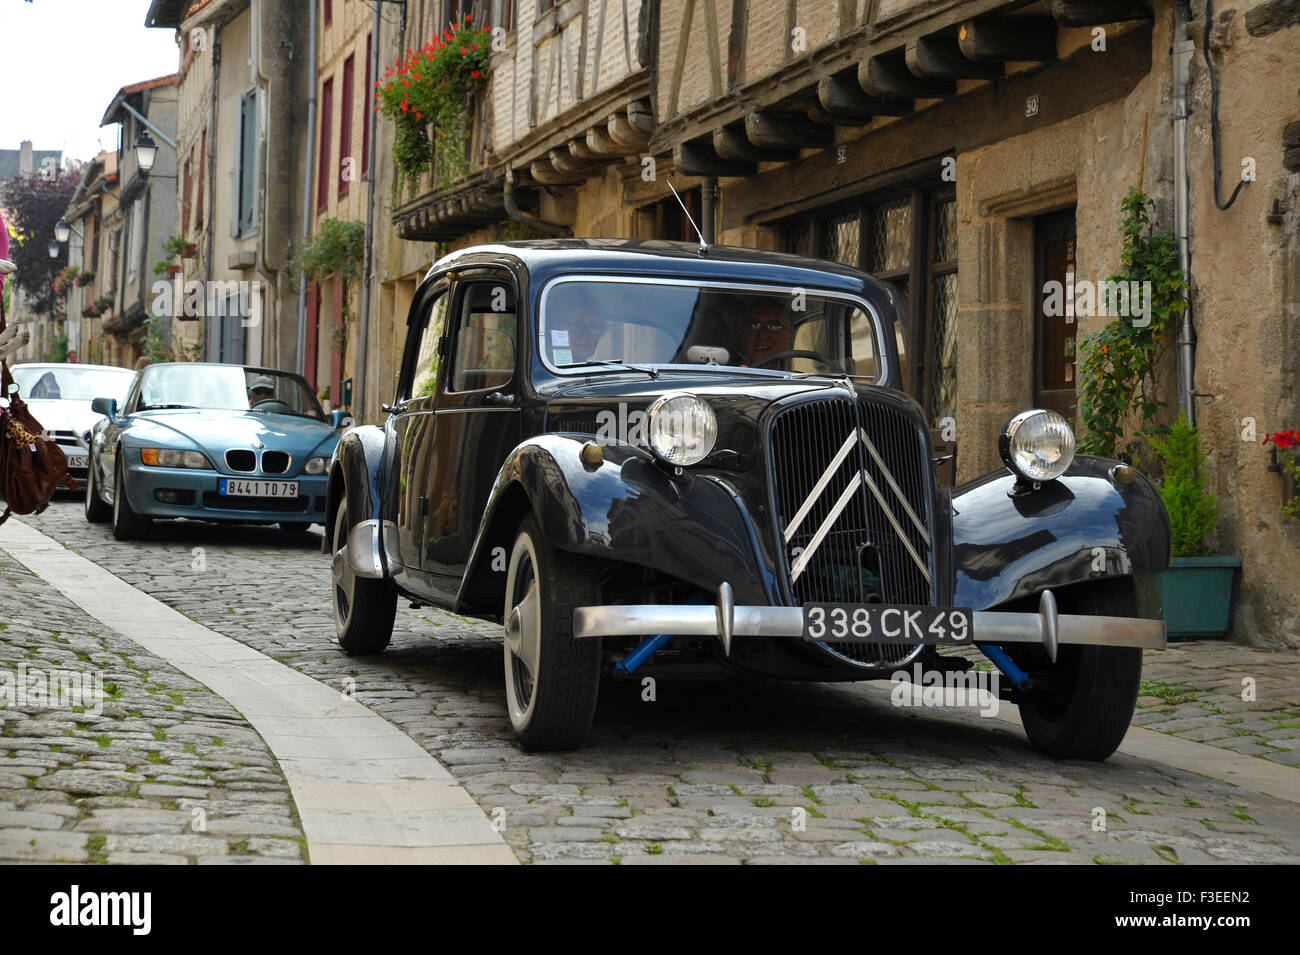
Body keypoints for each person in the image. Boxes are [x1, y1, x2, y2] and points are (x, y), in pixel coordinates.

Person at [741, 300, 794, 366]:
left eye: (774, 326)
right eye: (754, 325)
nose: (762, 335)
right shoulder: (729, 374)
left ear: (790, 337)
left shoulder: (803, 376)